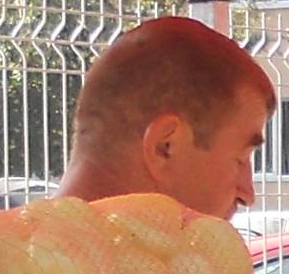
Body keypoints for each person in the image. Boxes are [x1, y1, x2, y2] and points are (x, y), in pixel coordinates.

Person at [57, 14, 276, 218]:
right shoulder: (167, 257)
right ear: (164, 147)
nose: (248, 195)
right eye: (240, 159)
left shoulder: (30, 250)